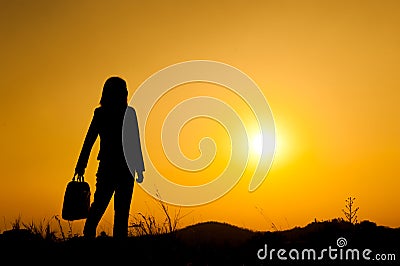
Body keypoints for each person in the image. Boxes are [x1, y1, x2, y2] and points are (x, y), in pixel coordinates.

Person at [74, 76, 145, 239]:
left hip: (114, 167)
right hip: (120, 168)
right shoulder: (116, 113)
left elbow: (89, 141)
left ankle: (90, 237)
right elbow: (134, 142)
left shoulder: (104, 113)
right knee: (114, 208)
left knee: (104, 206)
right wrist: (139, 168)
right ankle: (98, 239)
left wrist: (81, 165)